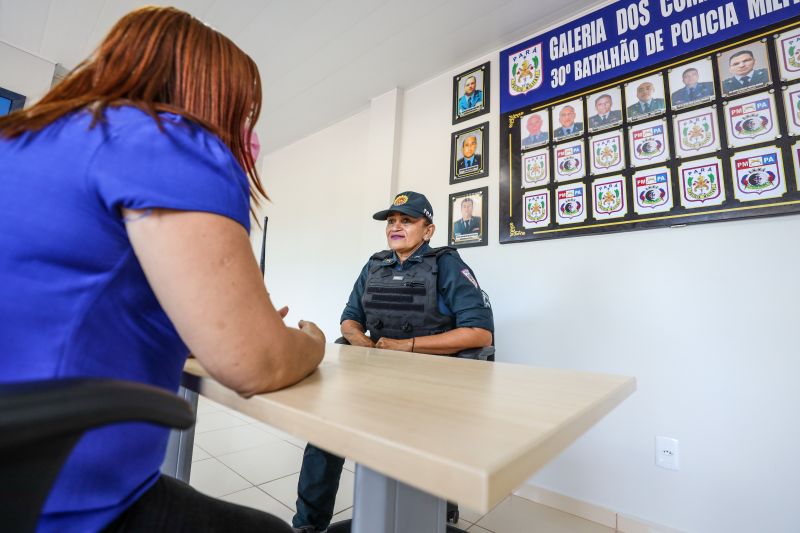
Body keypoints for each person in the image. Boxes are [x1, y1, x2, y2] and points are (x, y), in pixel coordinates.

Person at [0, 7, 326, 533]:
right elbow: (253, 363)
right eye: (243, 113)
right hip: (52, 497)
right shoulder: (168, 138)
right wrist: (309, 341)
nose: (244, 131)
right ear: (212, 95)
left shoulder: (20, 138)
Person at [292, 191, 494, 533]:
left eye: (407, 220)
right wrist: (359, 340)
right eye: (391, 221)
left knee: (417, 449)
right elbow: (349, 319)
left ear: (428, 230)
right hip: (374, 376)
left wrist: (407, 345)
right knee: (325, 432)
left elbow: (478, 333)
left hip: (434, 383)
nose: (395, 227)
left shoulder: (446, 264)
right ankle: (307, 526)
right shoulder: (374, 265)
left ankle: (437, 512)